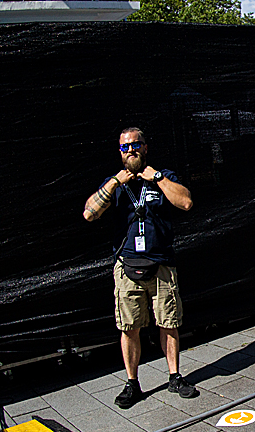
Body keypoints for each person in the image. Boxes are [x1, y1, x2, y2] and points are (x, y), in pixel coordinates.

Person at [83, 127, 196, 409]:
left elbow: (185, 202)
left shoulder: (162, 176)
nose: (131, 150)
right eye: (125, 147)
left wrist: (156, 178)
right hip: (127, 266)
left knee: (169, 323)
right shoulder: (115, 184)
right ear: (120, 152)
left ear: (145, 147)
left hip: (161, 264)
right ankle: (132, 382)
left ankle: (174, 376)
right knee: (129, 327)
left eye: (136, 144)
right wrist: (114, 183)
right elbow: (89, 213)